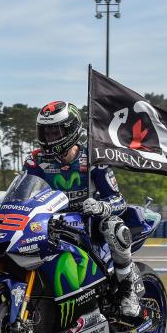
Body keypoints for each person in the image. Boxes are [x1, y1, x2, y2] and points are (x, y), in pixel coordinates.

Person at [24, 101, 144, 317]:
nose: (49, 138)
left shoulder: (93, 159)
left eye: (55, 132)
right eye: (46, 132)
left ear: (70, 131)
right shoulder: (35, 161)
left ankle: (128, 290)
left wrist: (101, 206)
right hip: (52, 221)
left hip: (89, 224)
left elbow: (119, 201)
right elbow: (23, 193)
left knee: (114, 227)